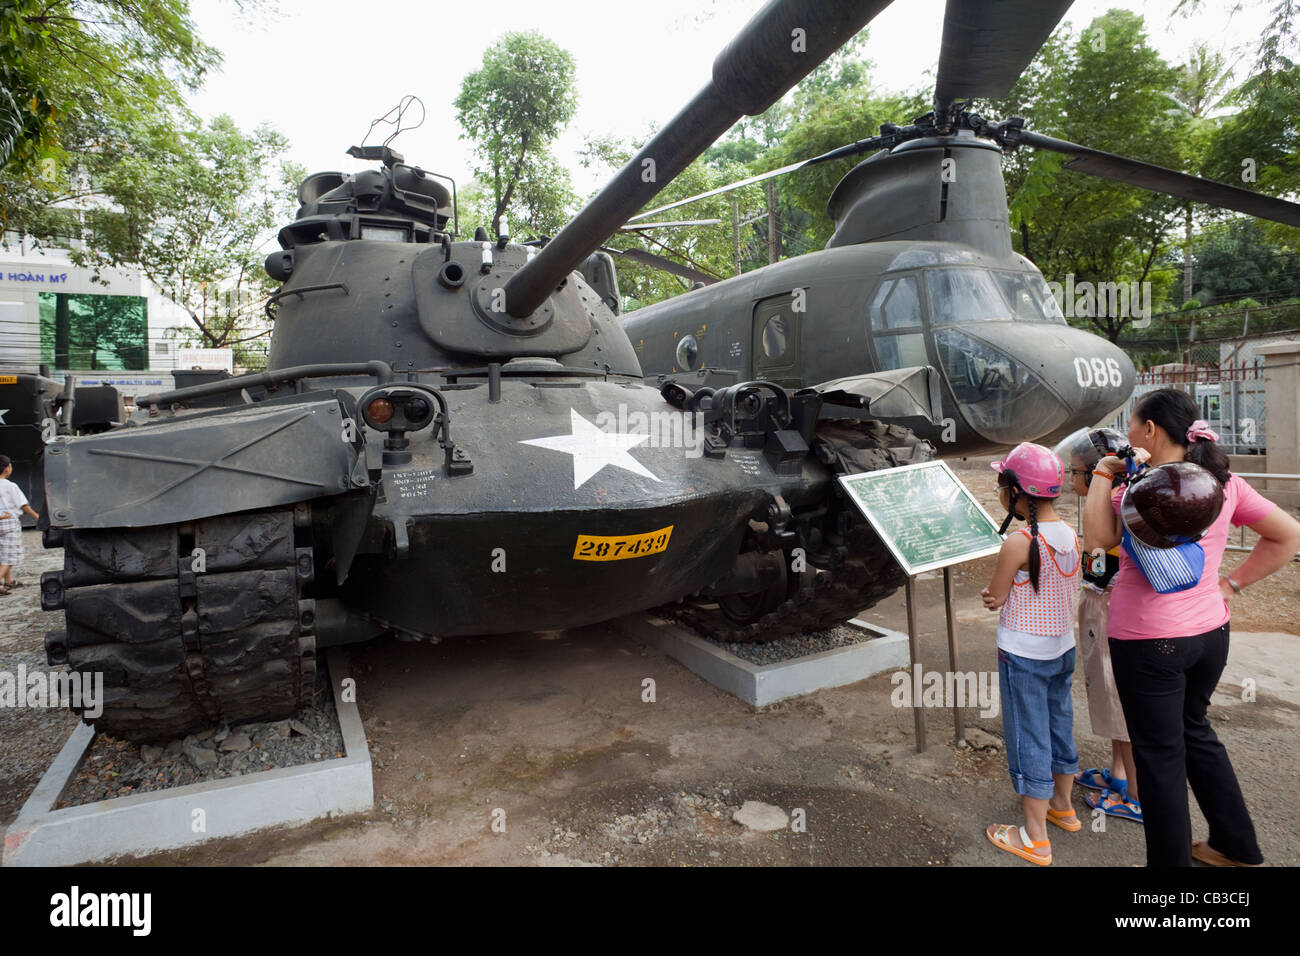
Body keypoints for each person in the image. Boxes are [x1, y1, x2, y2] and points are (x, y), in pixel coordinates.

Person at [1083, 388, 1300, 867]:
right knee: (1195, 732)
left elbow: (1096, 543)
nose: (1131, 434)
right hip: (1210, 634)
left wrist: (1103, 472)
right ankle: (1235, 845)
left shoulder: (1137, 492)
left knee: (1159, 759)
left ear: (1151, 432)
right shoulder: (1224, 484)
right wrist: (1231, 586)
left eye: (1134, 426)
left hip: (1148, 642)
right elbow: (1288, 535)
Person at [981, 442, 1082, 865]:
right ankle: (1063, 806)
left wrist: (990, 597)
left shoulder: (1019, 542)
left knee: (1027, 736)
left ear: (1016, 492)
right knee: (1059, 723)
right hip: (1062, 650)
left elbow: (997, 596)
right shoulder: (1070, 534)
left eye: (1003, 483)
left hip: (1022, 655)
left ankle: (1035, 836)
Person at [1054, 428, 1142, 824]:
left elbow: (1101, 552)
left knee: (1118, 695)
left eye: (1075, 473)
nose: (1070, 480)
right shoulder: (1107, 502)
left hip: (1111, 608)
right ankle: (1119, 775)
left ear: (1095, 475)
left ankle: (1138, 795)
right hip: (1099, 602)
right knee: (1107, 694)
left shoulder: (1116, 506)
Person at [0, 454, 40, 596]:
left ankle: (8, 580)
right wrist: (37, 517)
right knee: (9, 555)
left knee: (2, 553)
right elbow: (23, 505)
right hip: (9, 523)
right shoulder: (11, 486)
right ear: (7, 468)